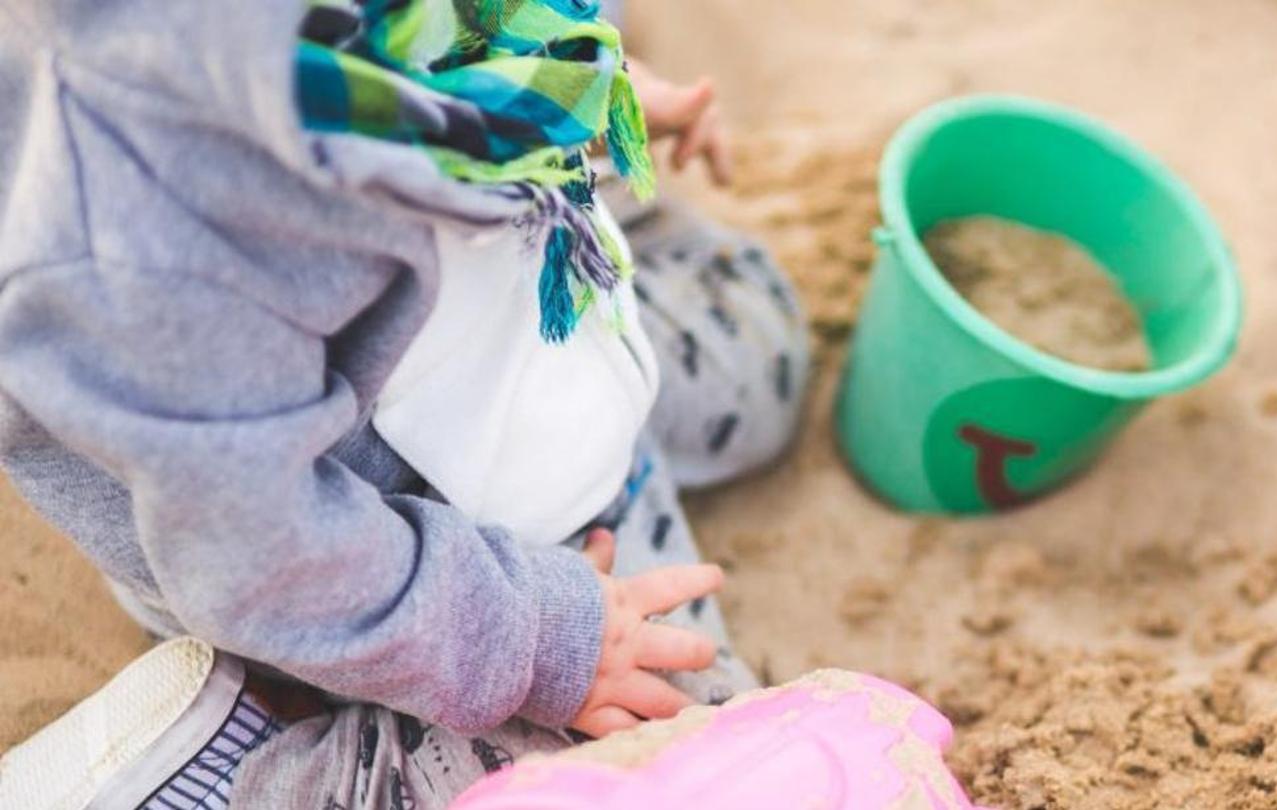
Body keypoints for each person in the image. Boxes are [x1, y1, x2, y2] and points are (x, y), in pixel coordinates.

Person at [0, 0, 808, 806]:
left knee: (762, 357)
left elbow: (465, 31)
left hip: (525, 337)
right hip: (393, 559)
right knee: (695, 755)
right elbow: (265, 561)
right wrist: (540, 641)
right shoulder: (140, 223)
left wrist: (582, 85)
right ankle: (252, 777)